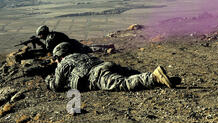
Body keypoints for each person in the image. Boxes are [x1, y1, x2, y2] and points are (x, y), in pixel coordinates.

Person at [45, 42, 178, 92]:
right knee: (129, 74)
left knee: (122, 83)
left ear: (60, 56)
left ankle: (154, 77)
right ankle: (162, 78)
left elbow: (57, 86)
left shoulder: (64, 63)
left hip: (96, 75)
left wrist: (48, 80)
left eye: (56, 59)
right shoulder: (80, 54)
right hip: (106, 65)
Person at [35, 25, 112, 54]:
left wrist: (40, 44)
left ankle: (107, 49)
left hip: (71, 46)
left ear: (43, 33)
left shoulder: (49, 38)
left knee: (88, 49)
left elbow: (48, 50)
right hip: (71, 43)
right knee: (87, 47)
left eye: (40, 35)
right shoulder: (53, 34)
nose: (40, 37)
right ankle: (107, 46)